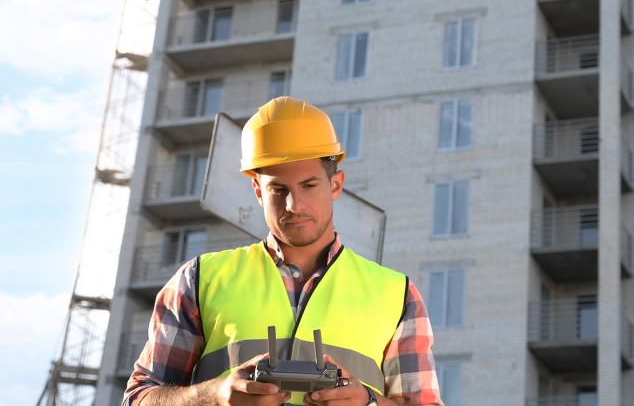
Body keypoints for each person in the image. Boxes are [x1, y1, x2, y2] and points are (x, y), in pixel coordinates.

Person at [123, 97, 443, 406]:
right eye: (279, 189)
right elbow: (138, 398)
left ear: (335, 185)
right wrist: (214, 396)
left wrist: (368, 403)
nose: (294, 205)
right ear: (258, 191)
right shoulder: (200, 280)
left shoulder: (396, 295)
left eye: (309, 185)